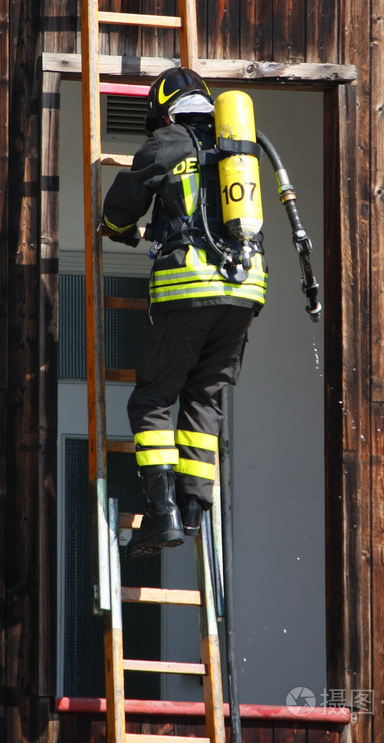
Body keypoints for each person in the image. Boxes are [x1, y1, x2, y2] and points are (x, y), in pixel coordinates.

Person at [101, 67, 268, 558]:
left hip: (188, 291)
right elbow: (204, 221)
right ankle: (195, 509)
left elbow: (117, 213)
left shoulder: (167, 143)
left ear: (165, 110)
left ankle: (161, 513)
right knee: (205, 397)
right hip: (245, 292)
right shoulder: (235, 147)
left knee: (152, 400)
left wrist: (115, 226)